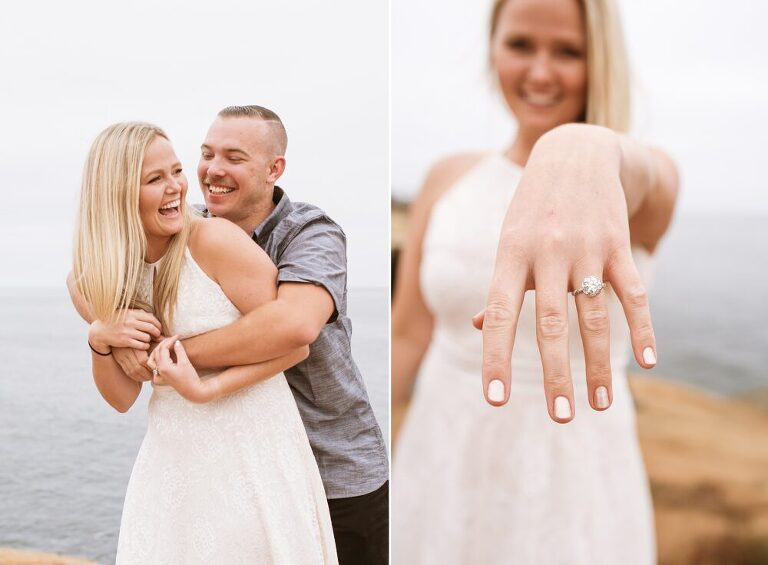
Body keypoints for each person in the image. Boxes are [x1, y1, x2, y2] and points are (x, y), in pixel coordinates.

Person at [391, 0, 678, 563]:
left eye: (568, 51)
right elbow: (406, 336)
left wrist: (586, 144)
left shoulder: (630, 181)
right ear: (493, 46)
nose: (540, 72)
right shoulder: (447, 177)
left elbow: (658, 178)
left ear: (600, 59)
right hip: (442, 453)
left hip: (571, 474)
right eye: (521, 45)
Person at [69, 106, 389, 565]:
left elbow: (295, 330)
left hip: (330, 460)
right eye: (205, 155)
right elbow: (84, 283)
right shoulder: (175, 228)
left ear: (273, 169)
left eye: (234, 157)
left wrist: (169, 357)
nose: (210, 171)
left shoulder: (310, 233)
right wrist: (104, 331)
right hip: (198, 465)